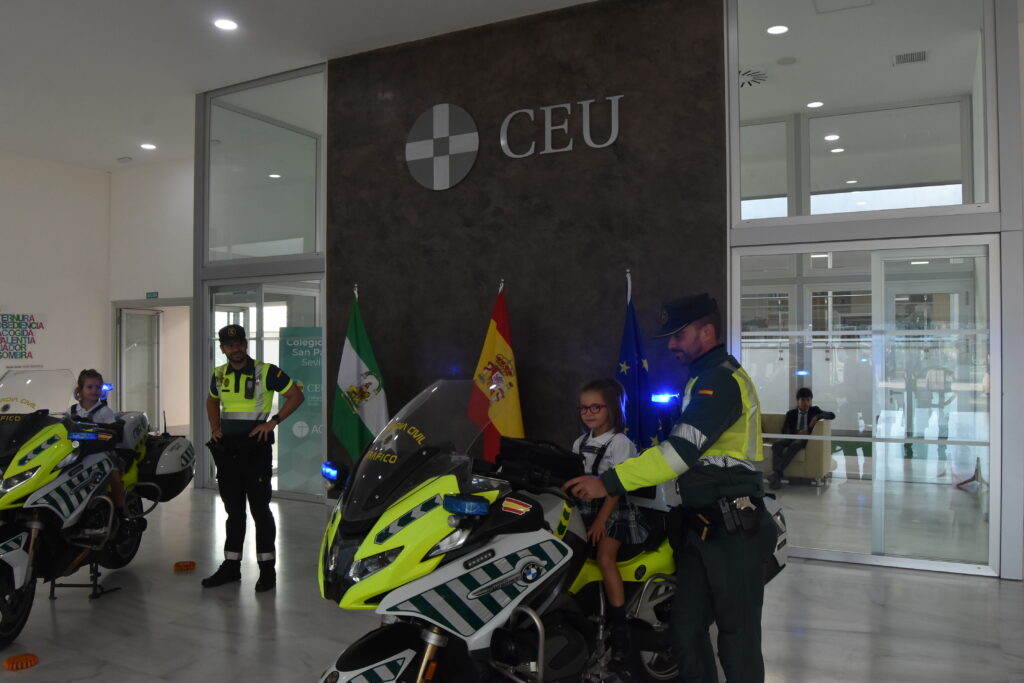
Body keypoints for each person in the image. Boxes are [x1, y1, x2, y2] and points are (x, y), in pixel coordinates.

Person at [565, 293, 777, 683]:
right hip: (702, 528)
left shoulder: (721, 380)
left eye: (679, 335)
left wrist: (607, 482)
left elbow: (678, 454)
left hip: (733, 530)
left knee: (737, 638)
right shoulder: (700, 379)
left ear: (707, 331)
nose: (672, 344)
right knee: (685, 631)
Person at [203, 324, 304, 593]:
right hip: (228, 452)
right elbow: (211, 401)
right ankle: (231, 567)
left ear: (245, 345)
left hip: (256, 451)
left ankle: (267, 571)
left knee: (260, 511)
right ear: (222, 348)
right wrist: (214, 427)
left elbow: (296, 395)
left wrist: (273, 422)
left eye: (239, 344)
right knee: (233, 512)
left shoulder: (267, 371)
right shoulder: (219, 374)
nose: (235, 349)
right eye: (229, 345)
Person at [571, 378, 647, 663]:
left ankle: (619, 625)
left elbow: (617, 486)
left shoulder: (620, 443)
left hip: (614, 510)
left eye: (596, 407)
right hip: (585, 508)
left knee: (605, 558)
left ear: (612, 408)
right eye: (583, 408)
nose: (589, 413)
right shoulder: (580, 442)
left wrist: (601, 520)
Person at [70, 369, 132, 528]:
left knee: (115, 476)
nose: (94, 391)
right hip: (79, 453)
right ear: (80, 390)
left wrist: (98, 431)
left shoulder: (105, 411)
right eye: (90, 387)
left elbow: (113, 432)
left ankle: (121, 511)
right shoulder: (72, 411)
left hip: (103, 452)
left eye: (98, 387)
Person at [767, 387, 835, 490]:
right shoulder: (791, 413)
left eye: (808, 400)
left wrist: (816, 418)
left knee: (795, 445)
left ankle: (776, 475)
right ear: (797, 400)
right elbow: (785, 431)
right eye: (803, 400)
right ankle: (777, 478)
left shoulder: (814, 410)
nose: (806, 403)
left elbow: (832, 415)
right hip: (791, 437)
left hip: (804, 440)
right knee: (777, 445)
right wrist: (797, 432)